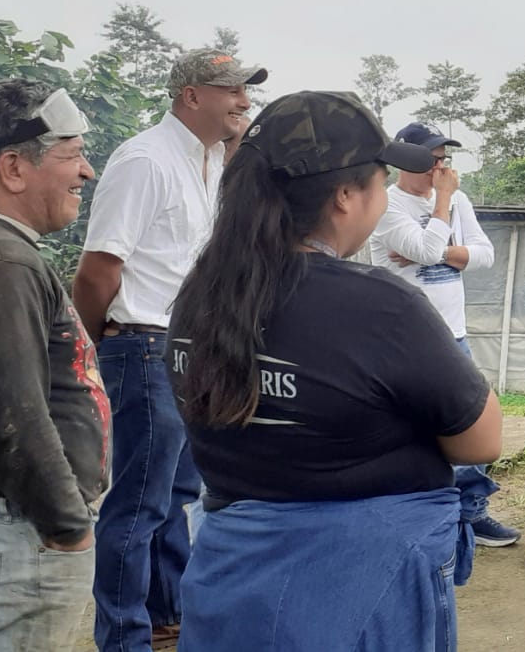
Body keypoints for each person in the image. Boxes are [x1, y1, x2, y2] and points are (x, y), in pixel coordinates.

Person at [165, 91, 502, 650]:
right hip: (361, 580)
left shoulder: (200, 292)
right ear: (345, 195)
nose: (384, 195)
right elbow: (480, 440)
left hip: (231, 573)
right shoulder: (378, 304)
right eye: (380, 180)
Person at [72, 47, 265, 652]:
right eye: (232, 90)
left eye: (247, 90)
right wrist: (93, 346)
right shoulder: (145, 160)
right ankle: (123, 638)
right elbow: (99, 267)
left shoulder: (210, 160)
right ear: (191, 96)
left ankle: (164, 617)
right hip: (142, 345)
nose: (245, 101)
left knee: (175, 497)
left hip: (186, 348)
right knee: (137, 506)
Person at [0, 82, 109, 648]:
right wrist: (68, 529)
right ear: (13, 167)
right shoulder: (3, 261)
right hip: (18, 535)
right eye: (72, 154)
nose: (87, 172)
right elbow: (15, 417)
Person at [368, 122, 517, 547]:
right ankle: (419, 516)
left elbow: (484, 255)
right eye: (433, 159)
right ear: (406, 159)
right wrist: (443, 208)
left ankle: (472, 513)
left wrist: (446, 250)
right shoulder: (387, 204)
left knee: (468, 422)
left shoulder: (459, 200)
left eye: (443, 159)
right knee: (408, 431)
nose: (441, 168)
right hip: (404, 339)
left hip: (453, 334)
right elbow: (427, 251)